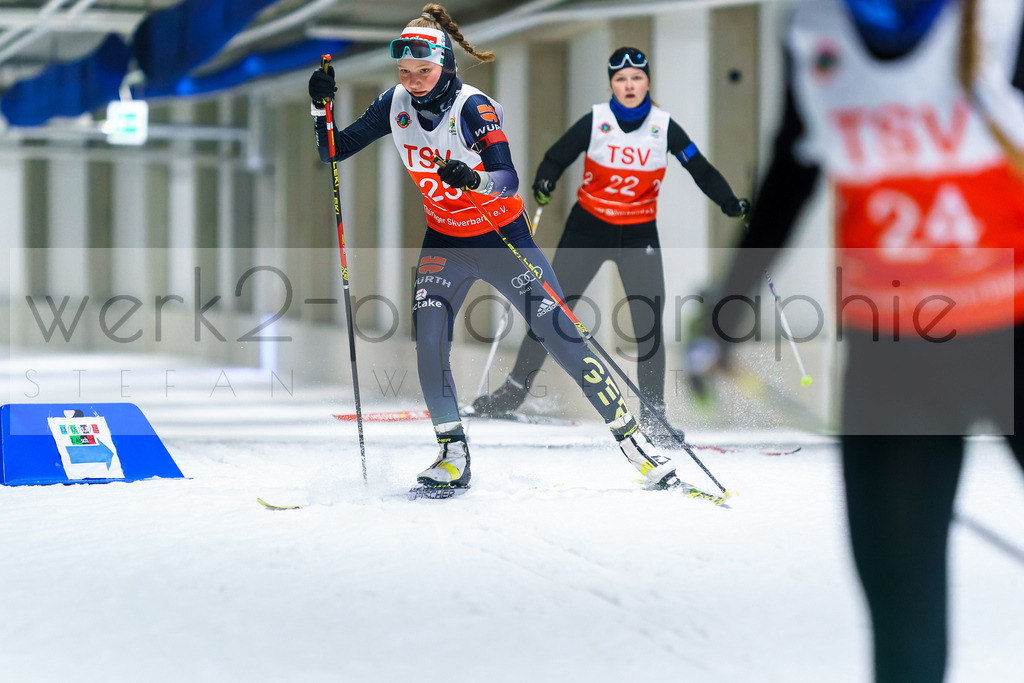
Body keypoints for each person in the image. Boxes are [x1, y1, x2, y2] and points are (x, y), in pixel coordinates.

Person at [688, 0, 1024, 680]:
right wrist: (726, 308)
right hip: (893, 359)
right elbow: (792, 169)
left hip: (1010, 337)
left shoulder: (1006, 17)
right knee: (904, 633)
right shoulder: (815, 26)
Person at [308, 5, 684, 494]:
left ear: (446, 65)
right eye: (405, 72)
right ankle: (452, 453)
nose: (415, 80)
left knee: (561, 335)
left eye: (424, 71)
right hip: (444, 241)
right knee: (428, 342)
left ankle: (635, 445)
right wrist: (321, 108)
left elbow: (508, 181)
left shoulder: (472, 107)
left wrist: (473, 178)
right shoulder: (392, 102)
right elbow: (332, 151)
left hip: (501, 239)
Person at [468, 46, 750, 446]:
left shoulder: (664, 127)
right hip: (588, 230)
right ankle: (513, 392)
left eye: (636, 78)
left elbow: (700, 168)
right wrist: (545, 181)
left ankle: (654, 417)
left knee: (648, 323)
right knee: (552, 309)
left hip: (638, 235)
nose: (629, 86)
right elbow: (555, 157)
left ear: (648, 83)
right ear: (612, 85)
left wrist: (730, 203)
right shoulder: (596, 120)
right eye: (621, 79)